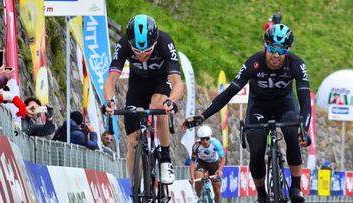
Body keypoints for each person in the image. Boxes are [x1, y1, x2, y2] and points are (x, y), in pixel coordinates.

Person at [183, 24, 311, 203]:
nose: (276, 54)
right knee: (257, 149)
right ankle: (261, 194)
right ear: (266, 46)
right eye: (272, 49)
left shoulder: (296, 64)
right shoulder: (254, 63)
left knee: (292, 134)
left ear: (287, 51)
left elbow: (305, 99)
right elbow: (229, 93)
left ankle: (296, 188)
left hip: (285, 105)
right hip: (258, 107)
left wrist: (303, 128)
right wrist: (203, 115)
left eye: (281, 51)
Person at [103, 14, 184, 185]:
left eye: (146, 52)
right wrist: (109, 101)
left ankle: (165, 158)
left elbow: (177, 82)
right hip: (137, 85)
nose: (141, 56)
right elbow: (111, 78)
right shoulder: (124, 43)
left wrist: (173, 100)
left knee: (159, 104)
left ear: (154, 42)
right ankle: (135, 191)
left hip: (161, 82)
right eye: (137, 52)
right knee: (133, 142)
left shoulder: (165, 42)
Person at [189, 125, 225, 203]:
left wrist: (219, 170)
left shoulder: (216, 143)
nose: (205, 141)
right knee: (197, 177)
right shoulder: (196, 146)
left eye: (207, 138)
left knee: (217, 190)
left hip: (214, 164)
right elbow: (192, 162)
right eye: (202, 139)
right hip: (202, 163)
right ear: (200, 139)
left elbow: (223, 159)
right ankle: (199, 197)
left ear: (210, 137)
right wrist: (192, 177)